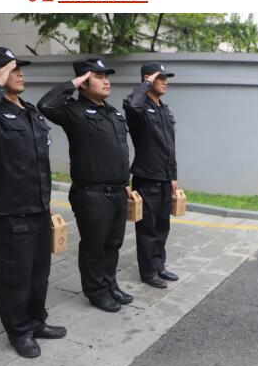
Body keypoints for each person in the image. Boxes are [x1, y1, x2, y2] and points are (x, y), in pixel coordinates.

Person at [0, 47, 66, 358]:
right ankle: (19, 331)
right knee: (14, 277)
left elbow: (38, 162)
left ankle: (36, 321)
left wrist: (46, 202)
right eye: (11, 69)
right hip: (10, 214)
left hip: (38, 210)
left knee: (38, 274)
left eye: (20, 68)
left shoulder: (29, 111)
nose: (20, 73)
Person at [37, 58, 135, 313]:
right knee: (94, 246)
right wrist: (73, 83)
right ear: (83, 83)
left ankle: (110, 284)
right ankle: (96, 291)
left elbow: (118, 151)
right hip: (92, 194)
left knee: (113, 244)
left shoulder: (112, 112)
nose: (106, 81)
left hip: (118, 192)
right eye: (98, 77)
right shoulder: (73, 111)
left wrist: (125, 182)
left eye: (107, 76)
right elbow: (46, 105)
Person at [123, 62, 179, 289]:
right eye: (160, 77)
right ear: (148, 78)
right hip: (146, 179)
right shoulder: (139, 109)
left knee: (162, 227)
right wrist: (145, 84)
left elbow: (170, 147)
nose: (165, 82)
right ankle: (148, 272)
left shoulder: (165, 110)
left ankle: (159, 266)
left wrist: (173, 176)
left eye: (166, 78)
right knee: (147, 229)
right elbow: (131, 103)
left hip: (164, 179)